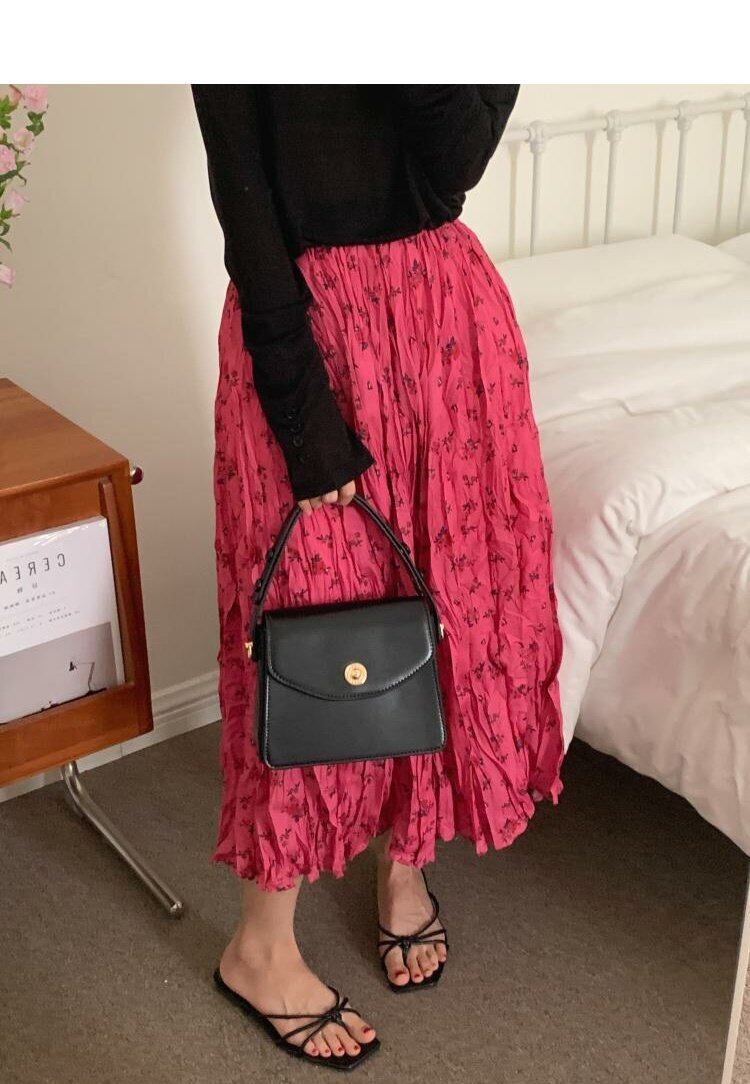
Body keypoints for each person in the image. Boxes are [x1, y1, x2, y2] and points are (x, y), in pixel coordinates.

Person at [192, 84, 564, 1070]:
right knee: (308, 626)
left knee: (443, 609)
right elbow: (243, 188)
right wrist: (299, 411)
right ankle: (260, 948)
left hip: (444, 322)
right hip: (304, 329)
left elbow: (454, 162)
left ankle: (406, 860)